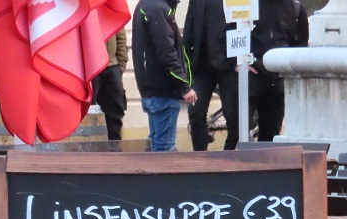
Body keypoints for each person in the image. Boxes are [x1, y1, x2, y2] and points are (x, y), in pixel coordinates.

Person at [132, 0, 197, 151]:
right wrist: (184, 87)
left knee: (156, 144)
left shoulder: (147, 5)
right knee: (164, 149)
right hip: (163, 91)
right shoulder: (159, 9)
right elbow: (167, 54)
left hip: (152, 89)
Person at [249, 0, 309, 143]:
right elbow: (230, 32)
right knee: (239, 132)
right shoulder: (247, 4)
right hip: (250, 75)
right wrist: (237, 63)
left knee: (271, 135)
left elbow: (301, 46)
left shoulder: (296, 8)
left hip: (278, 79)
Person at [183, 0, 239, 151]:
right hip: (201, 67)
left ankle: (229, 156)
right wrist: (186, 61)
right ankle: (200, 157)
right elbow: (189, 27)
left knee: (234, 116)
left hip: (230, 66)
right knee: (195, 113)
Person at [92, 29, 128, 142]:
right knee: (89, 112)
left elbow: (120, 36)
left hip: (112, 66)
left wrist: (121, 65)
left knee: (116, 112)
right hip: (90, 69)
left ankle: (115, 148)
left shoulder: (112, 15)